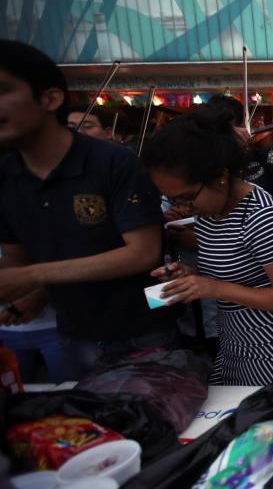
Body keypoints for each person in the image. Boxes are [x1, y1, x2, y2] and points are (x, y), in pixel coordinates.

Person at [0, 40, 177, 379]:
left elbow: (143, 253)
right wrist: (27, 289)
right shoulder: (6, 176)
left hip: (142, 328)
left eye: (4, 90)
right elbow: (15, 260)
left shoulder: (113, 162)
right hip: (73, 331)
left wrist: (34, 276)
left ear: (50, 99)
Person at [141, 110, 273, 385]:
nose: (183, 209)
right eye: (173, 200)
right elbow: (236, 269)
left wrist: (213, 288)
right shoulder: (210, 212)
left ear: (220, 176)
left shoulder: (263, 217)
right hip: (235, 346)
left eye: (186, 198)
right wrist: (189, 277)